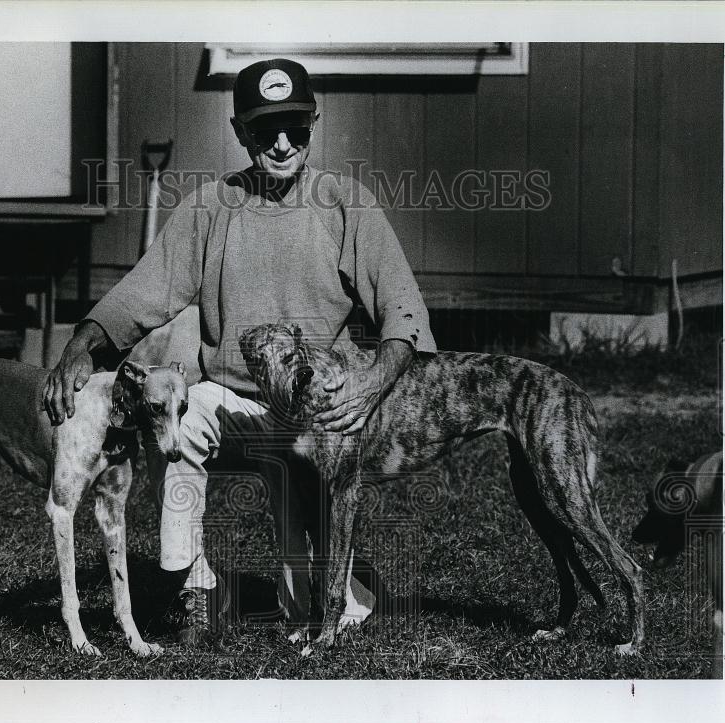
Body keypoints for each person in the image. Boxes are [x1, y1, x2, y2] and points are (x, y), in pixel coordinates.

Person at [43, 58, 437, 646]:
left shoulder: (346, 203)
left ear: (313, 124)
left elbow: (404, 309)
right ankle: (188, 587)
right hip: (225, 396)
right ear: (239, 132)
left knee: (305, 607)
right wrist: (86, 341)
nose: (280, 144)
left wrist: (372, 382)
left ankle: (333, 581)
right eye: (263, 130)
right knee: (178, 425)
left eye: (294, 128)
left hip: (309, 407)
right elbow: (145, 290)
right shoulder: (211, 206)